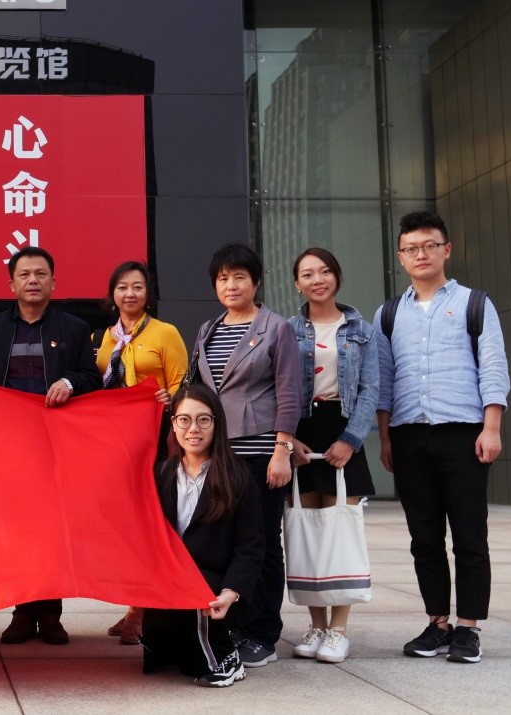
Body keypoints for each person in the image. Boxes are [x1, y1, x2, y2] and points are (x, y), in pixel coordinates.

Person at [375, 211, 509, 664]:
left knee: (469, 534)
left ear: (446, 250)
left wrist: (492, 427)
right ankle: (437, 624)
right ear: (401, 257)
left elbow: (493, 366)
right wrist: (385, 439)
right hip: (409, 436)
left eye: (429, 245)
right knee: (424, 537)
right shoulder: (389, 313)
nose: (421, 254)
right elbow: (384, 381)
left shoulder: (475, 303)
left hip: (463, 435)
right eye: (411, 248)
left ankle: (468, 628)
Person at [0, 246, 100, 646]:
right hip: (8, 443)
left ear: (53, 282)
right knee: (16, 528)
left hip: (55, 443)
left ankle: (50, 614)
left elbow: (91, 377)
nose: (33, 280)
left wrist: (69, 382)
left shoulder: (74, 328)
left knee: (52, 528)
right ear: (11, 284)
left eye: (41, 274)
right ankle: (21, 611)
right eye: (25, 274)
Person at [188, 243, 300, 668]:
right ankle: (236, 623)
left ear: (256, 282)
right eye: (223, 278)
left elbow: (289, 392)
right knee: (224, 543)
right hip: (219, 455)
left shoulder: (276, 328)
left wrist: (282, 451)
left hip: (259, 454)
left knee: (263, 543)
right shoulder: (208, 330)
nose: (231, 285)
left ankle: (264, 633)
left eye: (239, 277)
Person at [286, 247, 379, 663]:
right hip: (303, 434)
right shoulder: (287, 330)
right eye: (307, 274)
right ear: (297, 284)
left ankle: (339, 630)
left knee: (341, 533)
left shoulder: (361, 328)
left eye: (324, 271)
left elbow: (370, 389)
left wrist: (352, 439)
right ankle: (316, 625)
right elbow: (279, 387)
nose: (317, 280)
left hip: (343, 428)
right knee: (305, 534)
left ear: (337, 276)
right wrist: (288, 440)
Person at [141, 384, 263, 688]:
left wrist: (232, 591)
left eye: (203, 420)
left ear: (216, 424)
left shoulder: (237, 476)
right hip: (172, 582)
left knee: (203, 662)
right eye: (184, 419)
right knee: (181, 662)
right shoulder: (161, 474)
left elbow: (251, 547)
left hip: (218, 587)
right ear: (173, 424)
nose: (193, 429)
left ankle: (227, 658)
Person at [96, 260, 189, 644]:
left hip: (158, 441)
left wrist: (172, 397)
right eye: (122, 287)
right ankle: (134, 604)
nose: (130, 293)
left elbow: (184, 383)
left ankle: (141, 611)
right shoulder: (106, 337)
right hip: (119, 444)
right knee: (126, 526)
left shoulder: (165, 332)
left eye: (137, 286)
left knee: (153, 521)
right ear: (112, 294)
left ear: (148, 293)